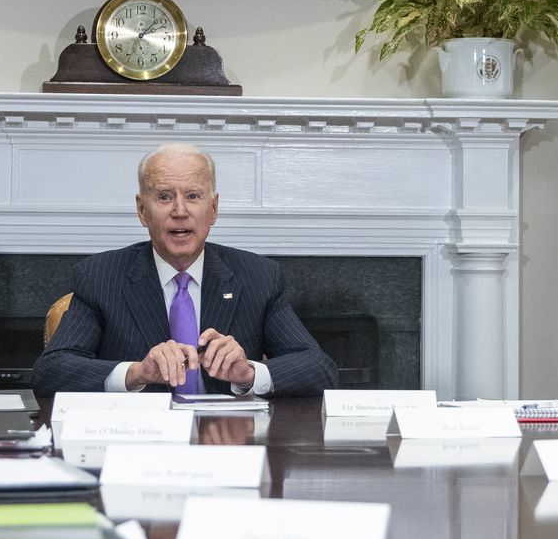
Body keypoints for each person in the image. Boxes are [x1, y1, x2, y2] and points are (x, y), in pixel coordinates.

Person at [32, 143, 338, 396]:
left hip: (229, 446)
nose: (180, 211)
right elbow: (51, 373)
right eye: (164, 197)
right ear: (142, 210)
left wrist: (249, 373)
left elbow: (319, 369)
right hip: (138, 446)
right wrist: (137, 373)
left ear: (213, 209)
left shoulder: (258, 277)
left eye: (193, 196)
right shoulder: (100, 276)